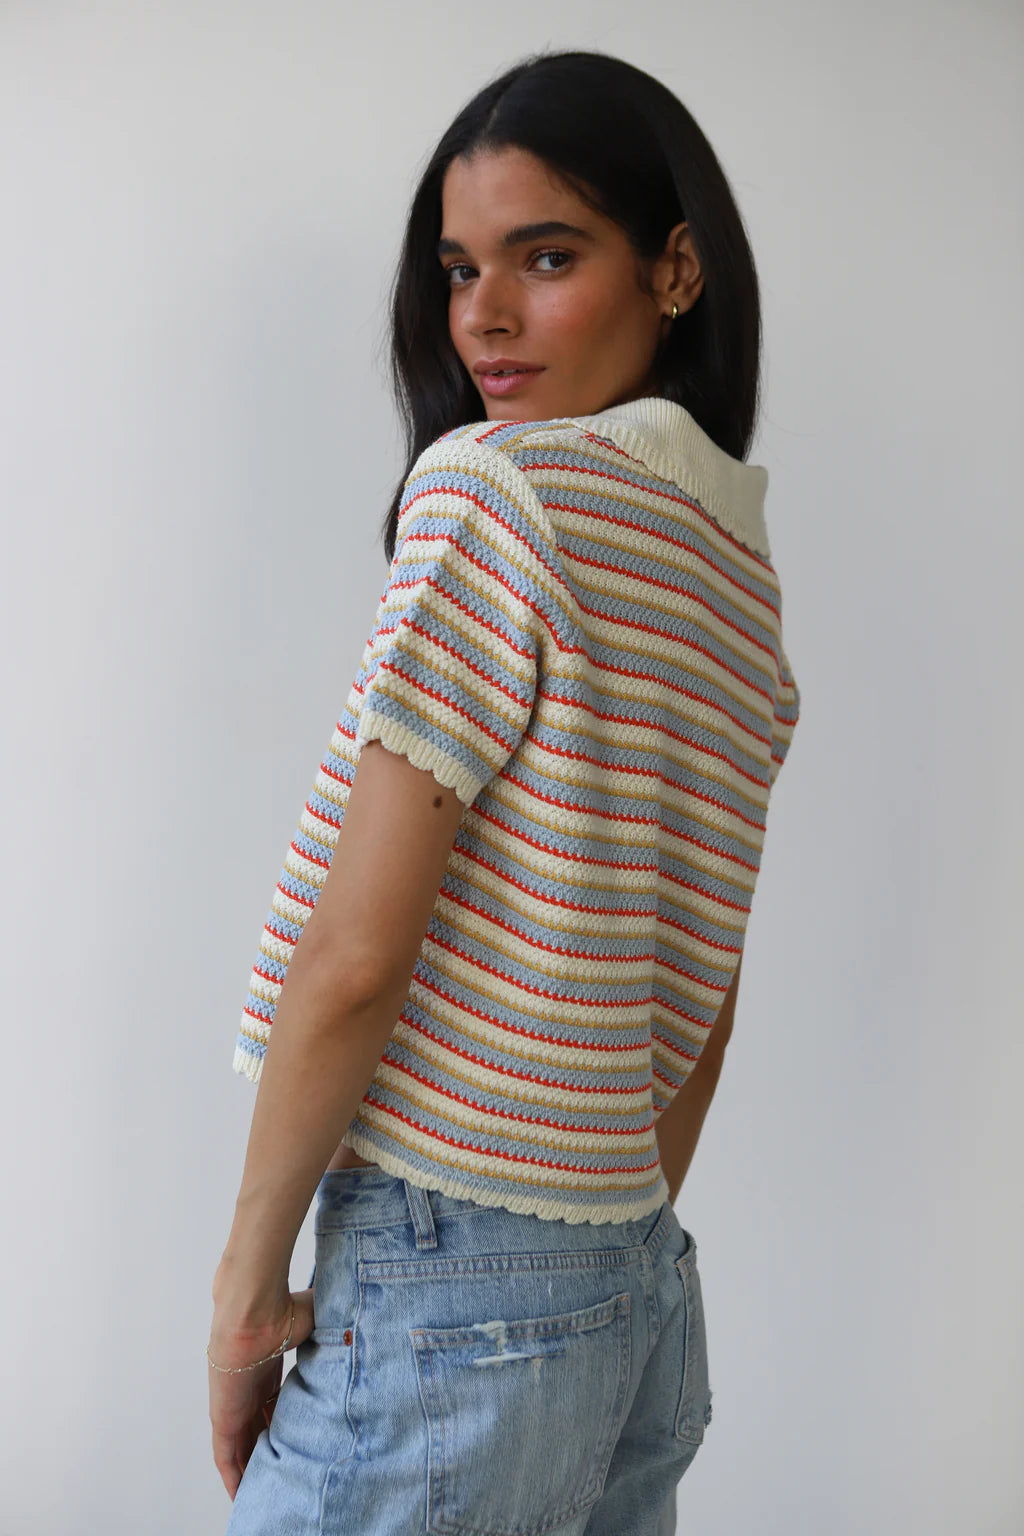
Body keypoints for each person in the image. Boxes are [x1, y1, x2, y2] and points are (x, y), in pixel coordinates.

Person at [207, 47, 800, 1535]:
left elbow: (357, 959)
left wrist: (246, 1298)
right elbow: (704, 998)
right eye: (461, 268)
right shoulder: (740, 583)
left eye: (547, 257)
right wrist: (601, 1245)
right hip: (638, 1284)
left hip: (447, 1285)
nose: (481, 314)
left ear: (677, 269)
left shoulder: (499, 493)